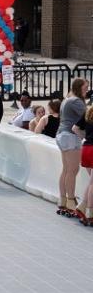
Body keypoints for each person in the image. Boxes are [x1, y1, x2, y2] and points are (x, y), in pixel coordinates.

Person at [56, 78, 88, 218]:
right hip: (70, 136)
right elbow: (89, 115)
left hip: (62, 135)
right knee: (73, 171)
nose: (87, 89)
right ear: (78, 87)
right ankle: (70, 201)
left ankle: (63, 200)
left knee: (66, 170)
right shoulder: (76, 101)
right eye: (85, 87)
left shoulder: (68, 99)